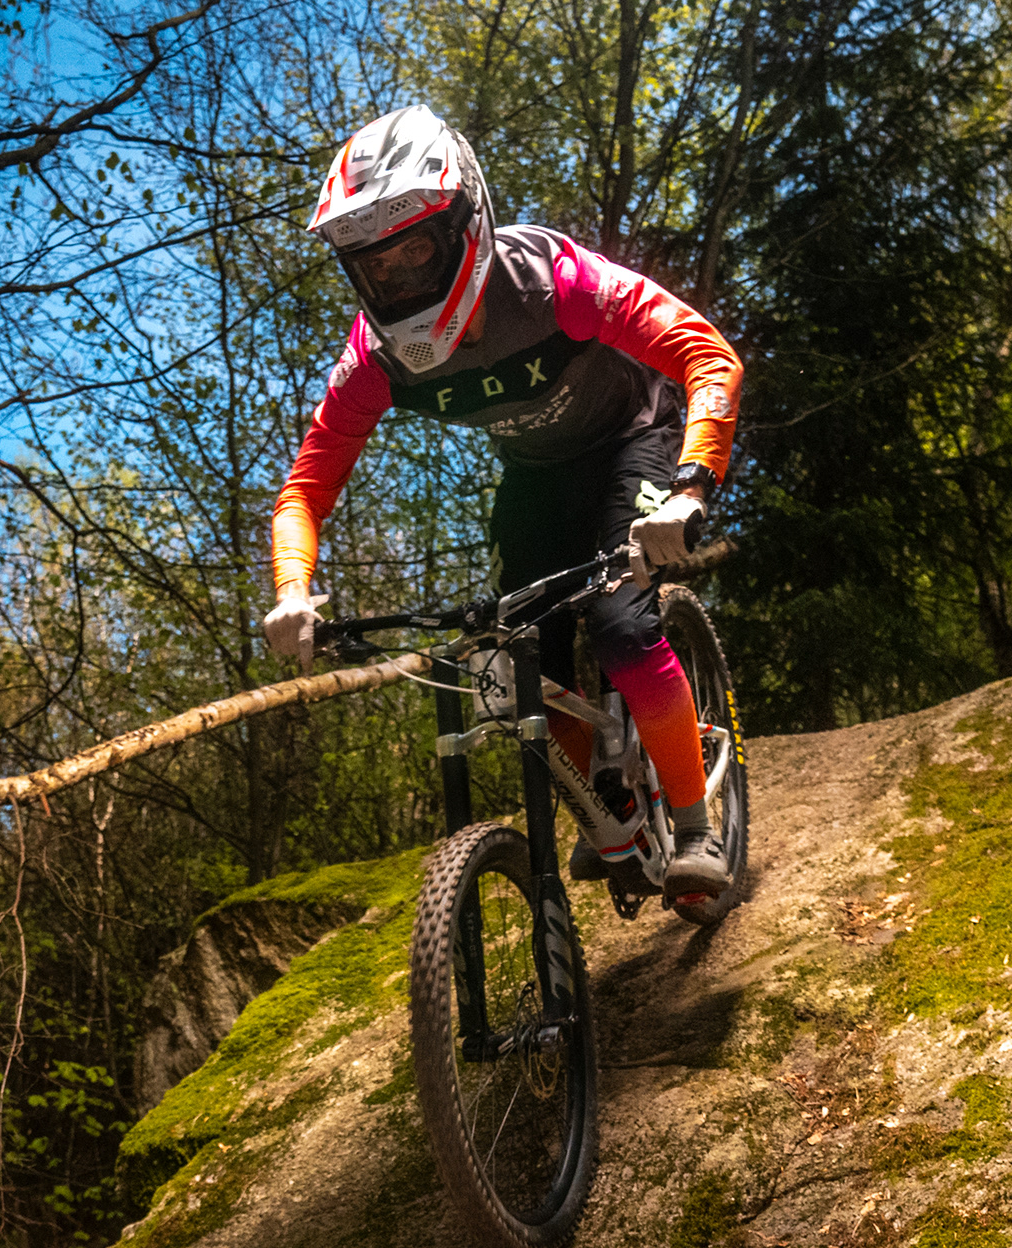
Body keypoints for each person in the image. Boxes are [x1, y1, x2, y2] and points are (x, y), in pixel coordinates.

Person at [261, 107, 746, 910]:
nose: (400, 278)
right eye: (375, 266)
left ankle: (696, 827)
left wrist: (693, 486)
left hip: (634, 439)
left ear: (467, 223)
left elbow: (705, 352)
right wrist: (291, 591)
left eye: (416, 248)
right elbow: (305, 489)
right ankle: (613, 815)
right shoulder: (376, 360)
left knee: (623, 631)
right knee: (517, 662)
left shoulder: (553, 281)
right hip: (540, 475)